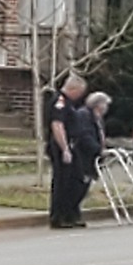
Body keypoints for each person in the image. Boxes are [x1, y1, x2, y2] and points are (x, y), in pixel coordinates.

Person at [48, 74, 87, 228]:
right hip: (62, 146)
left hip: (72, 145)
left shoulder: (69, 103)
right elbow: (57, 125)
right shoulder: (60, 102)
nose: (80, 96)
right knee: (63, 182)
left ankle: (72, 214)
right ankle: (59, 216)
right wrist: (64, 149)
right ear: (73, 88)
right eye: (80, 92)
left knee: (76, 180)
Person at [70, 92, 113, 223]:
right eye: (105, 104)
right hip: (82, 157)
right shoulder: (84, 115)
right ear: (98, 105)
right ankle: (71, 214)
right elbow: (84, 136)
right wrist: (98, 150)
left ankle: (74, 214)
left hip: (92, 159)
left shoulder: (97, 118)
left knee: (85, 186)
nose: (106, 108)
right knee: (78, 187)